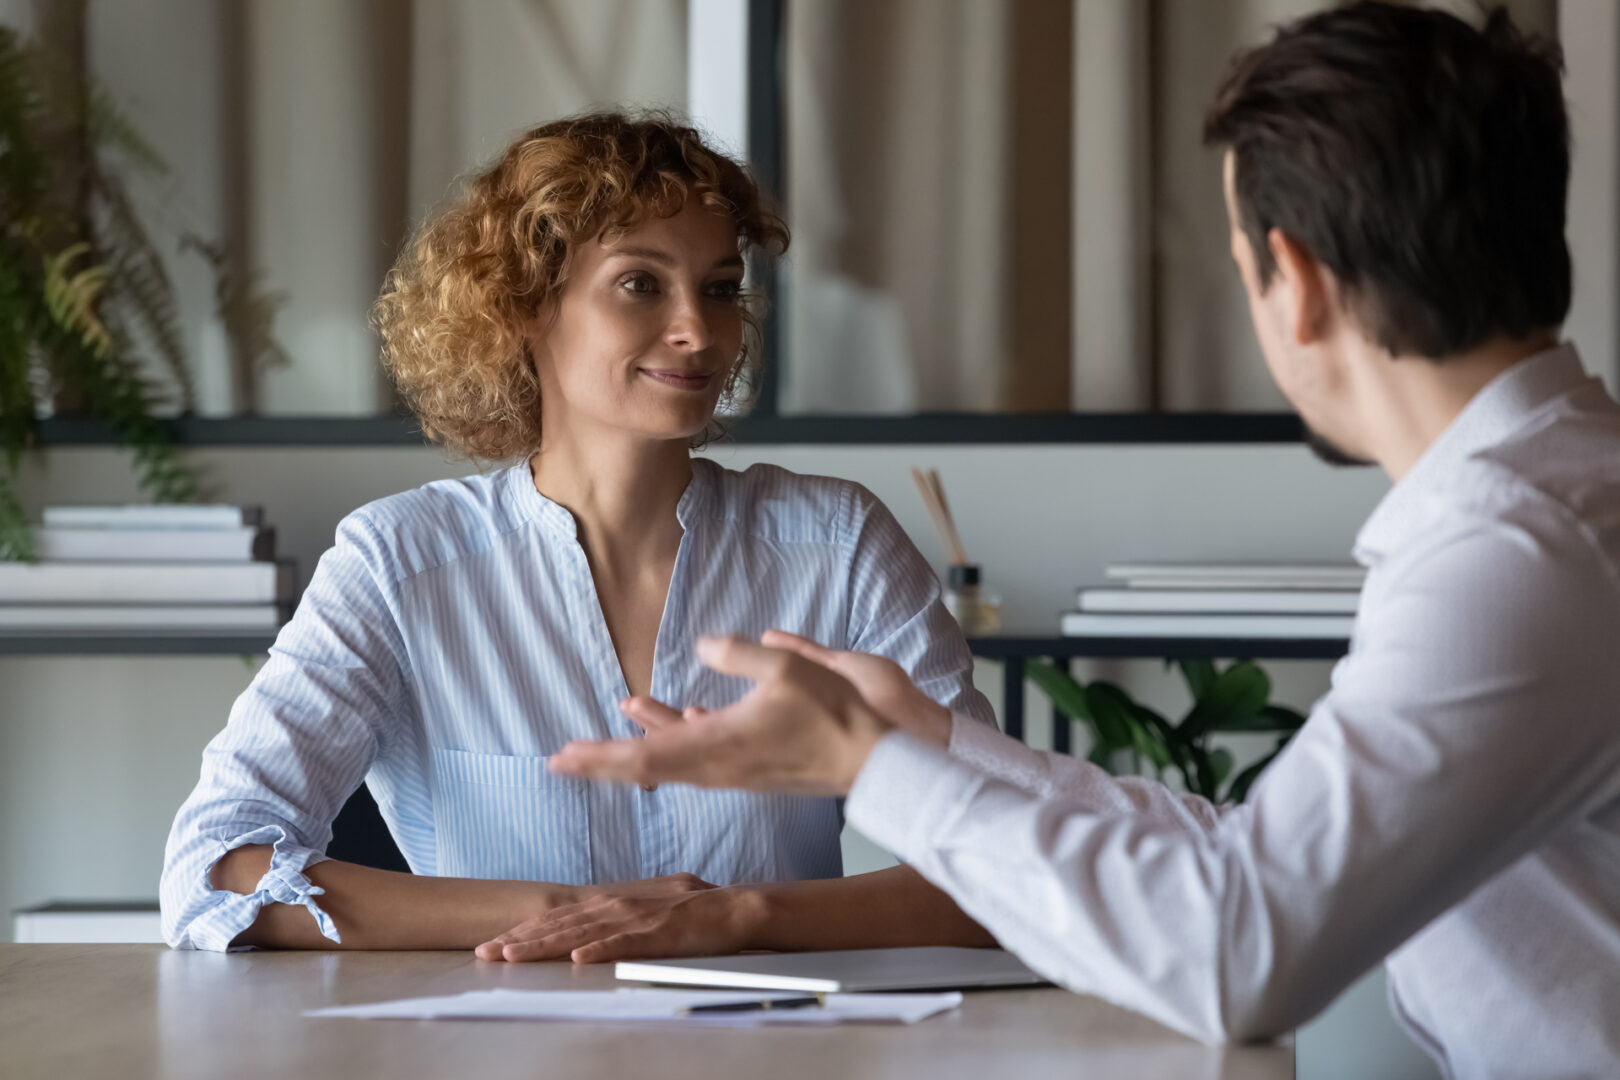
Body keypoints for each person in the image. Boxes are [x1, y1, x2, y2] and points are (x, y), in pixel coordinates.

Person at [547, 6, 1620, 1075]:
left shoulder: (1519, 551)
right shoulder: (1544, 507)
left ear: (1291, 281)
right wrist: (932, 739)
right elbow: (1255, 857)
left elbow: (1236, 952)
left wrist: (864, 766)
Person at [159, 112, 996, 960]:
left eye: (718, 287)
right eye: (641, 283)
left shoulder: (840, 544)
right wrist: (576, 908)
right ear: (523, 306)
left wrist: (737, 916)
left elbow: (1001, 859)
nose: (698, 331)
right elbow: (211, 870)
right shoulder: (397, 562)